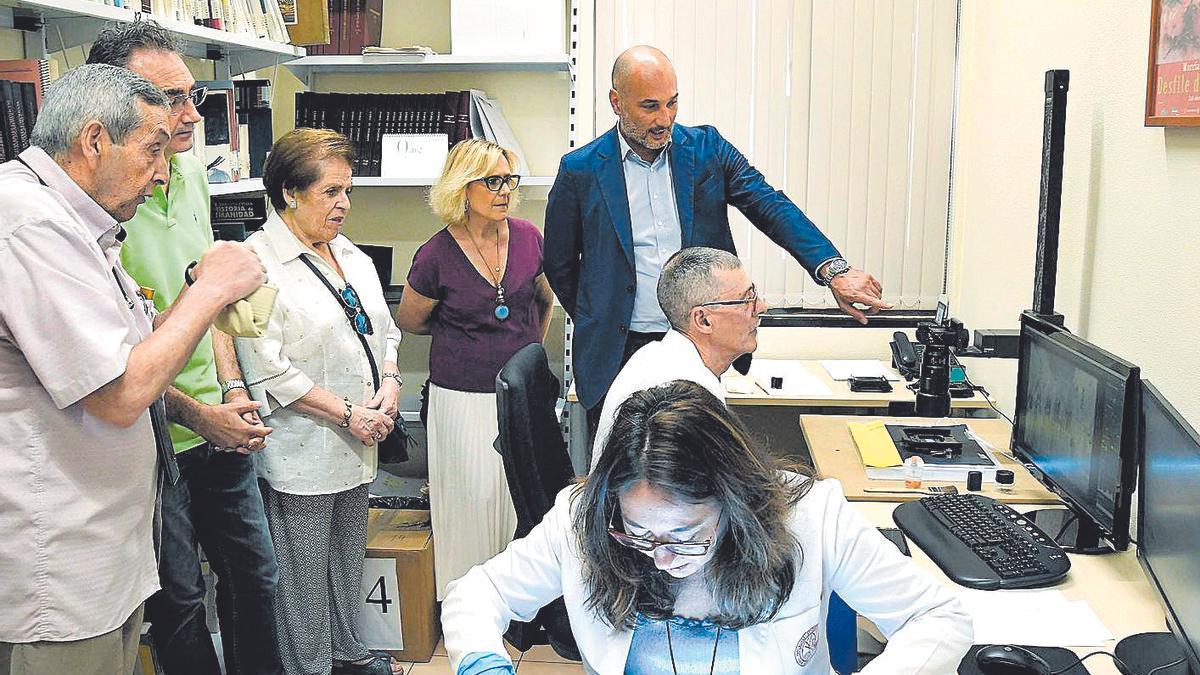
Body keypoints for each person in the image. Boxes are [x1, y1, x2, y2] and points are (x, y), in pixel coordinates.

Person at [0, 64, 266, 675]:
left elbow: (130, 354)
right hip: (57, 571)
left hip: (103, 555)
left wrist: (197, 295)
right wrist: (211, 291)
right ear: (94, 141)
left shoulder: (78, 223)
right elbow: (120, 393)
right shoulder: (30, 224)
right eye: (152, 151)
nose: (161, 171)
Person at [442, 381, 972, 674]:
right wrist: (481, 662)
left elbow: (938, 617)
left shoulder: (810, 516)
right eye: (640, 534)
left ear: (736, 501)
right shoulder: (584, 520)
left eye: (685, 534)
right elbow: (477, 593)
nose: (662, 559)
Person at [544, 45, 889, 432]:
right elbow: (559, 265)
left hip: (696, 344)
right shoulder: (581, 170)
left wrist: (833, 270)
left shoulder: (707, 150)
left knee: (694, 470)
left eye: (672, 103)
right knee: (621, 475)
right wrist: (600, 316)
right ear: (616, 101)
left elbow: (770, 206)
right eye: (650, 106)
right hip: (617, 350)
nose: (665, 118)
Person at [86, 22, 281, 675]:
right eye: (173, 99)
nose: (193, 114)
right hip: (152, 436)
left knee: (258, 581)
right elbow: (117, 366)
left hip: (217, 425)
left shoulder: (194, 174)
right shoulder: (97, 203)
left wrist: (229, 389)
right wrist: (201, 415)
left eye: (192, 95)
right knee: (180, 606)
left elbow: (209, 305)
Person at [233, 129, 404, 675]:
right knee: (303, 583)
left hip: (360, 446)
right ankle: (309, 668)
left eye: (347, 191)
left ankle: (349, 657)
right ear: (289, 192)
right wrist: (350, 415)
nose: (344, 205)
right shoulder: (253, 264)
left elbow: (385, 331)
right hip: (303, 453)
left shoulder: (350, 252)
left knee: (345, 567)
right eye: (331, 192)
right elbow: (267, 368)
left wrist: (393, 384)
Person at [395, 138, 555, 600]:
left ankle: (521, 603)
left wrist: (525, 354)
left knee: (519, 497)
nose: (504, 190)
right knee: (469, 499)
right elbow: (411, 318)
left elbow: (543, 300)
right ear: (463, 188)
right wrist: (466, 339)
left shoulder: (528, 236)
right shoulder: (436, 253)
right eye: (492, 181)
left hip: (522, 397)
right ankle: (466, 602)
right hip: (461, 396)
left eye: (509, 179)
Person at [590, 247, 764, 466]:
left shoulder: (657, 355)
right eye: (747, 300)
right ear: (703, 320)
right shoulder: (685, 395)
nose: (762, 307)